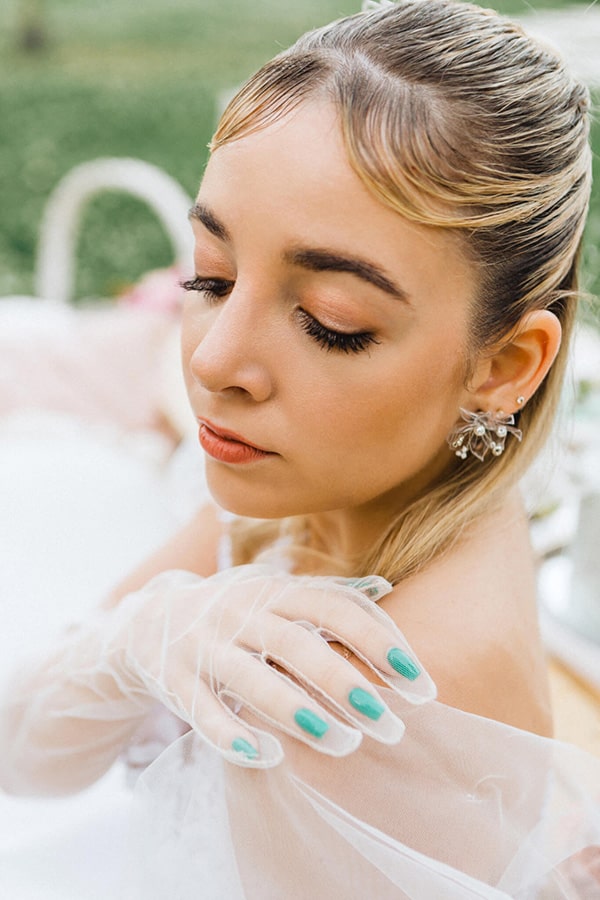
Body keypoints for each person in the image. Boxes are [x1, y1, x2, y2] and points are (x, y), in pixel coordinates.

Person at [1, 0, 599, 896]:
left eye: (330, 323)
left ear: (503, 367)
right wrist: (136, 639)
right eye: (210, 277)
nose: (213, 360)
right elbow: (24, 758)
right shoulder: (328, 480)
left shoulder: (358, 689)